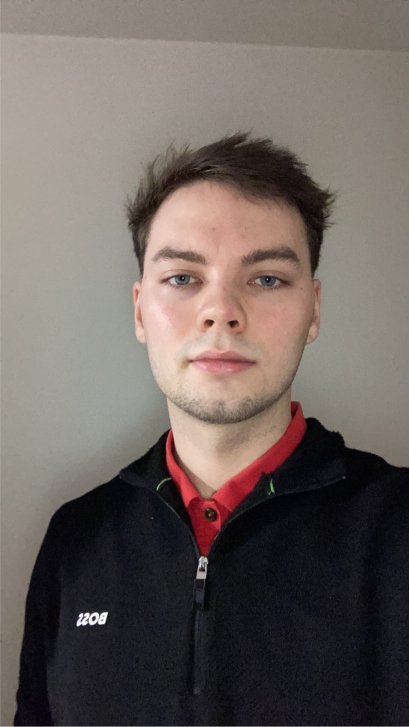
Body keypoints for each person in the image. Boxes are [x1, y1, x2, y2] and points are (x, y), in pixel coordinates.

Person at [15, 132, 408, 726]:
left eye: (267, 278)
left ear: (314, 310)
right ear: (140, 310)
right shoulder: (77, 541)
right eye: (182, 278)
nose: (221, 310)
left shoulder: (397, 528)